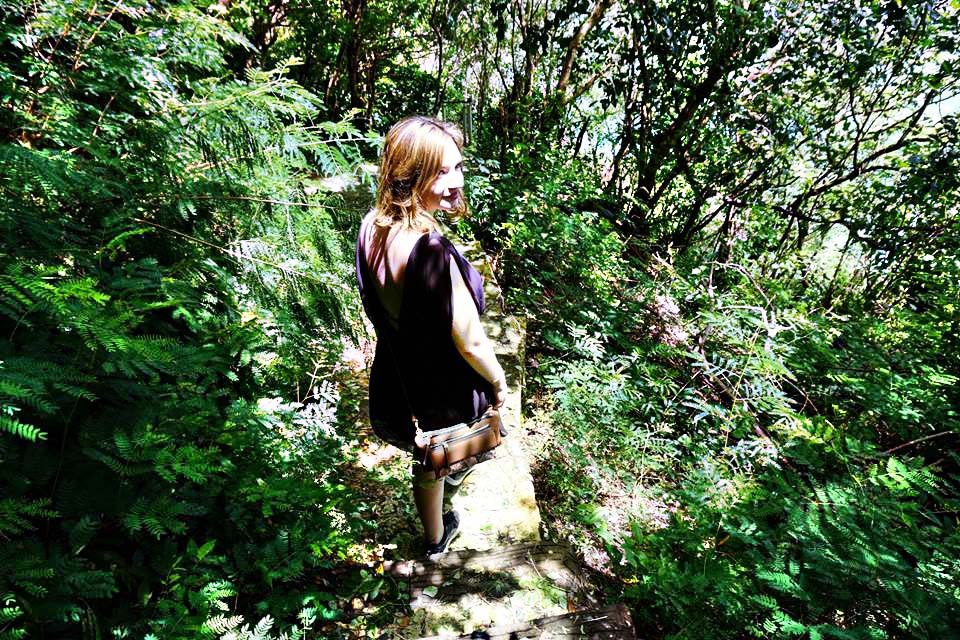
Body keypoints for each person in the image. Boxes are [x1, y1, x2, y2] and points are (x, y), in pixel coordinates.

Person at [354, 115, 509, 557]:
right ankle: (440, 528)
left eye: (458, 167)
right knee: (449, 451)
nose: (456, 181)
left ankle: (434, 537)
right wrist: (498, 381)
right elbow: (470, 340)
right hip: (440, 383)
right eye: (441, 172)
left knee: (426, 455)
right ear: (408, 175)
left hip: (399, 374)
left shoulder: (372, 225)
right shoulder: (430, 250)